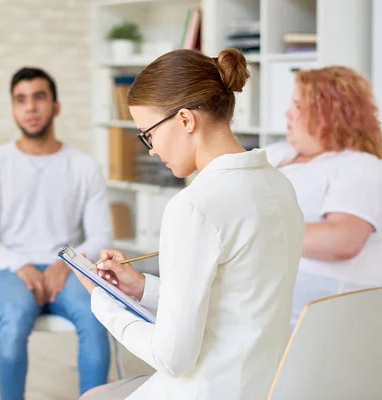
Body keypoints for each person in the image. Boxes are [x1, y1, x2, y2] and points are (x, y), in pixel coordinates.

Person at [70, 48, 306, 400]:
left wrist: (103, 302)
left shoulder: (194, 206)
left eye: (147, 133)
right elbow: (233, 303)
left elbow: (172, 358)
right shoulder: (278, 185)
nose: (150, 149)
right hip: (263, 387)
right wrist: (141, 288)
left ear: (184, 120)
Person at [0, 67, 113, 399]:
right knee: (15, 319)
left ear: (56, 106)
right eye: (21, 100)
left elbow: (101, 234)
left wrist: (67, 263)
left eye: (39, 97)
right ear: (13, 109)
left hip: (70, 270)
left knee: (96, 317)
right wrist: (21, 265)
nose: (30, 107)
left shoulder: (83, 165)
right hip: (11, 271)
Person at [265, 66, 382, 328]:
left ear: (330, 114)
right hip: (261, 313)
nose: (288, 114)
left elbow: (343, 240)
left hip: (317, 326)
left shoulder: (359, 166)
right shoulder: (276, 154)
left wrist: (256, 232)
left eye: (297, 105)